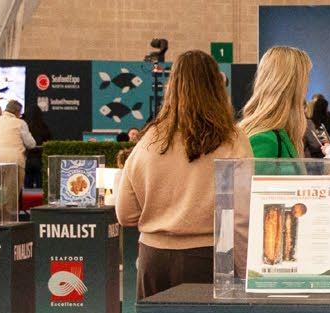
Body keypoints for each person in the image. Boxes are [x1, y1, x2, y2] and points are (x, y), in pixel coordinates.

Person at [118, 50, 249, 298]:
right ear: (217, 87)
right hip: (211, 258)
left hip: (154, 261)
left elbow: (125, 214)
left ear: (172, 87)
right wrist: (243, 272)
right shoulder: (233, 139)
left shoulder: (148, 140)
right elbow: (242, 215)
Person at [237, 46, 312, 160]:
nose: (307, 88)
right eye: (306, 79)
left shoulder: (280, 134)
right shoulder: (265, 139)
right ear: (292, 86)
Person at [0, 99, 37, 176]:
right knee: (14, 184)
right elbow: (31, 144)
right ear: (17, 112)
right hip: (14, 163)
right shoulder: (20, 123)